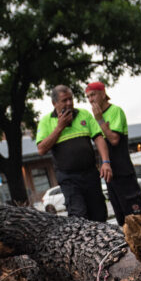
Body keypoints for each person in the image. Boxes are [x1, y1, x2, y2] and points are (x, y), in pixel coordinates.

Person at [36, 85, 110, 221]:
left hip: (90, 174)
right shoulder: (46, 121)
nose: (69, 103)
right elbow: (41, 149)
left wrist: (106, 162)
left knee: (99, 214)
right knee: (79, 215)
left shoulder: (84, 115)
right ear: (54, 103)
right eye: (64, 100)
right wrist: (59, 127)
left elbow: (99, 138)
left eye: (71, 99)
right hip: (68, 178)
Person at [84, 81, 141, 226]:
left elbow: (113, 139)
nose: (91, 100)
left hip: (124, 173)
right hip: (110, 176)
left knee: (138, 218)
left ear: (103, 93)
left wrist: (100, 120)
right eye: (88, 97)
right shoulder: (94, 119)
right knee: (122, 220)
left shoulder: (115, 111)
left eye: (93, 95)